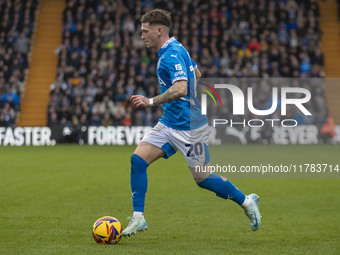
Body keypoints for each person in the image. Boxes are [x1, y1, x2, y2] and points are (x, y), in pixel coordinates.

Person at [121, 9, 261, 237]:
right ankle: (138, 218)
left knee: (203, 179)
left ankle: (247, 202)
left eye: (145, 31)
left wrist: (150, 101)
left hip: (190, 128)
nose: (142, 36)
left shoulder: (171, 55)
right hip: (169, 123)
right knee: (137, 160)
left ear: (159, 31)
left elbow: (181, 87)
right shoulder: (177, 48)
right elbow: (197, 71)